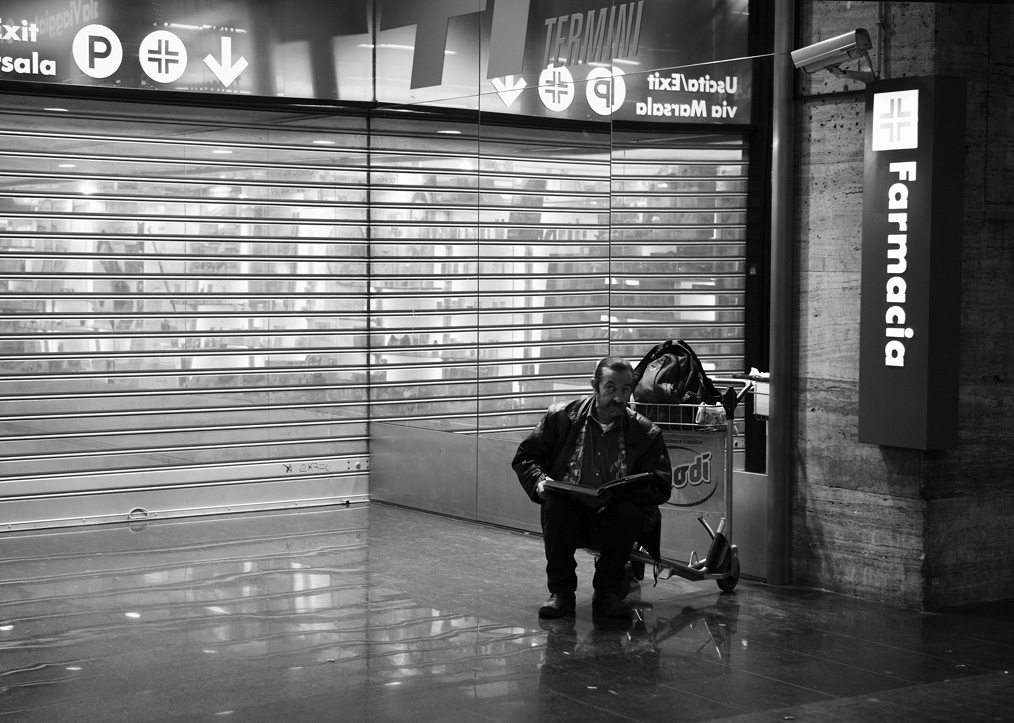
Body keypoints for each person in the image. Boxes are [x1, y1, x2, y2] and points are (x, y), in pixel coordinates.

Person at [512, 356, 672, 619]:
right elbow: (527, 457)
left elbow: (660, 484)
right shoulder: (561, 418)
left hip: (616, 518)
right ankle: (561, 594)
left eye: (625, 390)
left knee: (627, 511)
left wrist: (620, 493)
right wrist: (539, 481)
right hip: (571, 513)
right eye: (611, 388)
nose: (619, 397)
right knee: (556, 505)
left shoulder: (645, 433)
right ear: (594, 386)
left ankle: (607, 595)